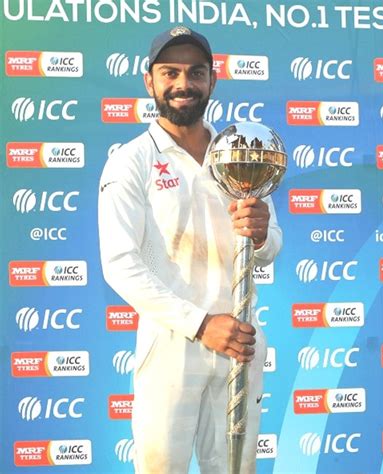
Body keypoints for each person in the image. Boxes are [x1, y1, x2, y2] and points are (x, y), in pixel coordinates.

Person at [98, 25, 282, 473]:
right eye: (170, 72)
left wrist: (260, 235)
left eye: (195, 73)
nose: (183, 84)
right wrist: (201, 324)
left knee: (236, 469)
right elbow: (120, 264)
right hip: (171, 344)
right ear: (150, 81)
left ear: (212, 81)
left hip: (240, 342)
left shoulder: (242, 151)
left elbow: (271, 245)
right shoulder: (132, 161)